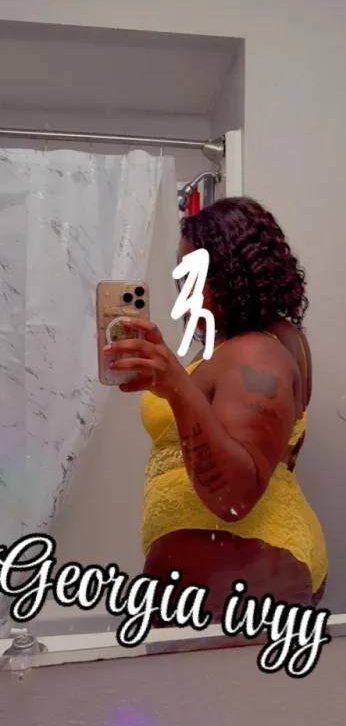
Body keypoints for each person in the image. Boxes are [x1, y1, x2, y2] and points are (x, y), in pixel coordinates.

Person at [104, 197, 327, 622]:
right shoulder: (246, 342)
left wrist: (177, 388)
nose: (182, 287)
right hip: (226, 578)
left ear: (235, 271)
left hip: (240, 576)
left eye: (194, 273)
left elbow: (234, 499)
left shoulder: (257, 355)